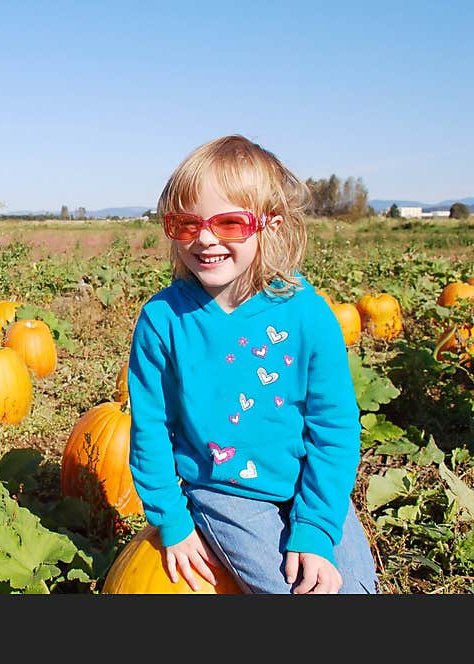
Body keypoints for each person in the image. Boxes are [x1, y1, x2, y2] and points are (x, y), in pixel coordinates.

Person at [127, 134, 379, 594]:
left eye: (229, 223)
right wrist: (172, 521)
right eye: (186, 224)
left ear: (271, 226)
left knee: (355, 590)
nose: (205, 239)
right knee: (290, 592)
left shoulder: (309, 314)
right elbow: (149, 429)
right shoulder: (162, 321)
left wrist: (317, 528)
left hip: (305, 481)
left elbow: (334, 427)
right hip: (224, 493)